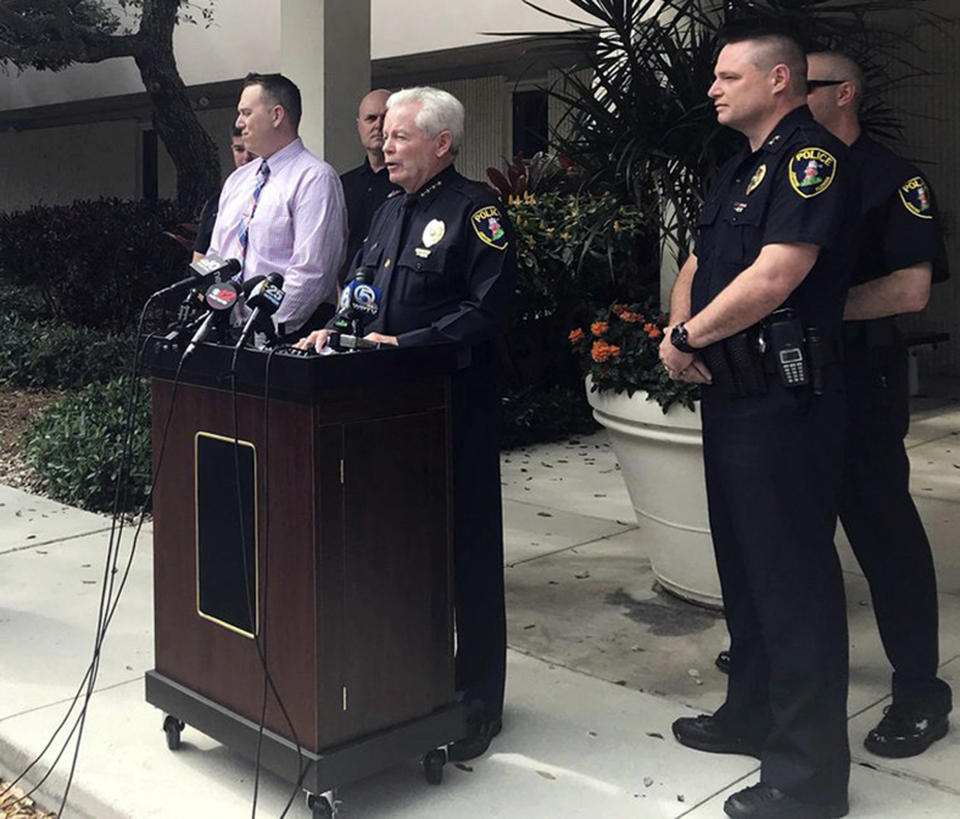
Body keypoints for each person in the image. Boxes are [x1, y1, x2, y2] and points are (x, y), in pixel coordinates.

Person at [661, 29, 855, 819]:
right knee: (743, 572)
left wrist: (687, 338)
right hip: (731, 395)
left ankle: (809, 778)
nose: (712, 86)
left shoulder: (810, 160)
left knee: (793, 583)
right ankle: (750, 713)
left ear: (780, 79)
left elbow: (779, 273)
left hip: (786, 401)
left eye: (726, 74)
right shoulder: (738, 166)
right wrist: (679, 332)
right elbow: (700, 265)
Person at [295, 86, 516, 762]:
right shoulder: (388, 211)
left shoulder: (477, 211)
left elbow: (490, 308)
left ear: (441, 142)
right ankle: (408, 683)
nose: (383, 147)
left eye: (398, 137)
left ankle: (479, 699)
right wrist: (332, 333)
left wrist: (410, 346)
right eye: (383, 136)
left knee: (466, 555)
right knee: (399, 549)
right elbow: (361, 293)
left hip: (452, 404)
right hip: (380, 412)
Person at [805, 51, 952, 756]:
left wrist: (813, 313)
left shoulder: (893, 179)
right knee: (790, 536)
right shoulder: (783, 174)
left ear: (843, 93)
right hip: (792, 386)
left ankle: (921, 691)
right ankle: (776, 667)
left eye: (801, 84)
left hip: (864, 381)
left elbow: (910, 289)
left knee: (884, 538)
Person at [207, 72, 347, 336]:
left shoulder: (314, 178)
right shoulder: (238, 180)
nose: (239, 123)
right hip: (224, 331)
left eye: (246, 113)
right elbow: (217, 255)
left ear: (276, 115)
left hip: (285, 337)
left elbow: (312, 272)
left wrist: (264, 328)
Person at [339, 89, 401, 284]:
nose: (378, 125)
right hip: (346, 295)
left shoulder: (409, 184)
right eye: (371, 118)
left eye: (385, 117)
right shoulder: (342, 185)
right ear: (359, 126)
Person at [193, 126, 257, 261]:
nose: (246, 157)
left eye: (252, 150)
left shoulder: (277, 196)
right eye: (239, 149)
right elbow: (200, 258)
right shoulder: (218, 201)